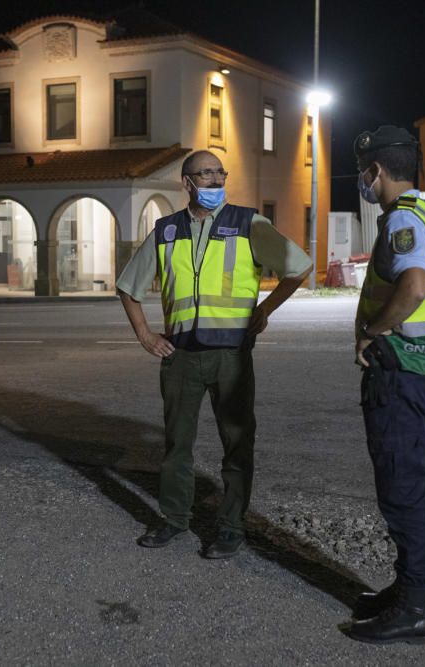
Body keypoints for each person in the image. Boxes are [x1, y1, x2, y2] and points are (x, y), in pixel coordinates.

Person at [117, 150, 311, 559]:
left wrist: (265, 309)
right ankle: (173, 519)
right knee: (177, 445)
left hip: (231, 357)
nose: (214, 180)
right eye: (204, 174)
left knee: (237, 444)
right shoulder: (167, 230)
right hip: (181, 356)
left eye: (219, 173)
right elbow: (128, 286)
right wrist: (145, 335)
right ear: (186, 182)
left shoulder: (248, 223)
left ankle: (230, 526)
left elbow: (297, 267)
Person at [344, 126, 425, 645]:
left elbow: (415, 286)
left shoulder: (402, 222)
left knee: (401, 485)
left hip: (400, 373)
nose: (362, 181)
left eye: (362, 172)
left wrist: (377, 330)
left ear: (376, 171)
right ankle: (405, 588)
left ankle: (415, 609)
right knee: (412, 478)